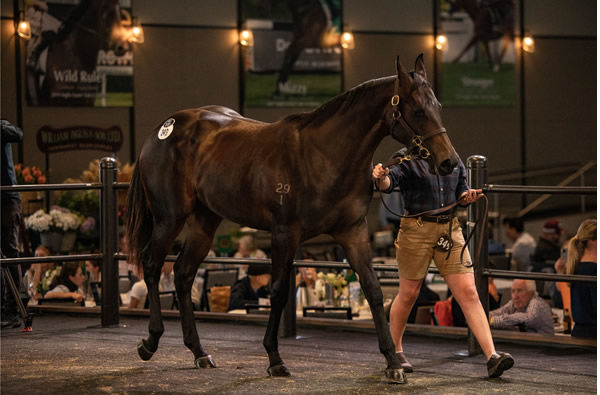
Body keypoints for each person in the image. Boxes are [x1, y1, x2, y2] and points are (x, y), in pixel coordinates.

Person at [373, 154, 514, 378]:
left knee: (468, 292)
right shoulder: (405, 158)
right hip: (416, 229)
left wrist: (466, 197)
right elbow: (389, 185)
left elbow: (460, 191)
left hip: (449, 228)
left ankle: (492, 356)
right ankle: (395, 352)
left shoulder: (451, 156)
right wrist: (381, 178)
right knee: (409, 293)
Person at [1, 120, 24, 328]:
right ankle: (5, 308)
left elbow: (18, 134)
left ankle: (12, 310)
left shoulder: (3, 127)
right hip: (6, 198)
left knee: (9, 252)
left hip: (7, 198)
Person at [565, 219, 596, 338]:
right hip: (593, 334)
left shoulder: (576, 267)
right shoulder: (593, 270)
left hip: (579, 331)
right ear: (593, 241)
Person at [489, 279, 554, 335]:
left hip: (544, 346)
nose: (515, 296)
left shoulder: (537, 303)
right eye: (513, 291)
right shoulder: (514, 303)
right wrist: (484, 317)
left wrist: (492, 321)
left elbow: (528, 318)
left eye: (519, 291)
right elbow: (499, 312)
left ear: (531, 293)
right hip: (529, 345)